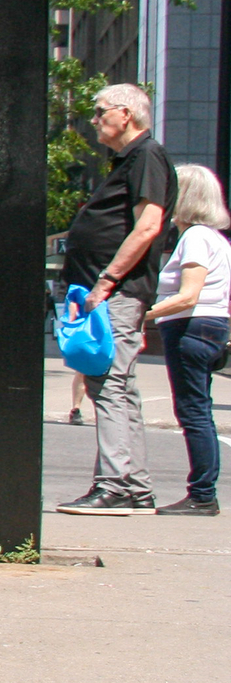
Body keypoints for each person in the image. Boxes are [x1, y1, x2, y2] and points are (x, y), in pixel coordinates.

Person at [58, 83, 176, 514]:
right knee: (119, 388)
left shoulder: (147, 156)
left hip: (116, 292)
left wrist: (106, 282)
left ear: (125, 114)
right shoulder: (131, 159)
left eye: (99, 111)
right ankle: (135, 486)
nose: (94, 119)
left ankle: (115, 486)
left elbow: (148, 227)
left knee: (107, 384)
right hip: (107, 292)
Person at [144, 164, 229, 517]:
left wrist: (143, 316)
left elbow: (188, 295)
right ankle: (203, 491)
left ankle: (202, 494)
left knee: (193, 412)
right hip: (210, 327)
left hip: (191, 327)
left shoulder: (195, 237)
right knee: (199, 410)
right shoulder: (216, 241)